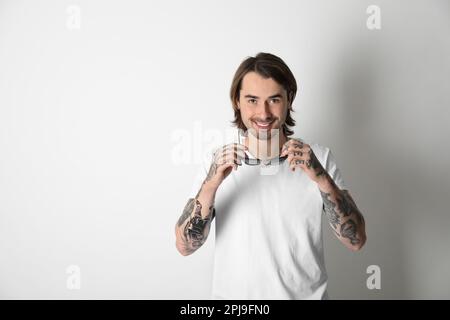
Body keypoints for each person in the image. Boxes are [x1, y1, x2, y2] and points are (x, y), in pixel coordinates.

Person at [174, 52, 366, 299]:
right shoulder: (216, 163)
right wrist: (211, 184)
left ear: (289, 99)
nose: (263, 113)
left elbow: (356, 240)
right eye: (252, 100)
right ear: (237, 101)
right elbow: (185, 246)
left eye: (273, 99)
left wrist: (322, 179)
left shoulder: (319, 158)